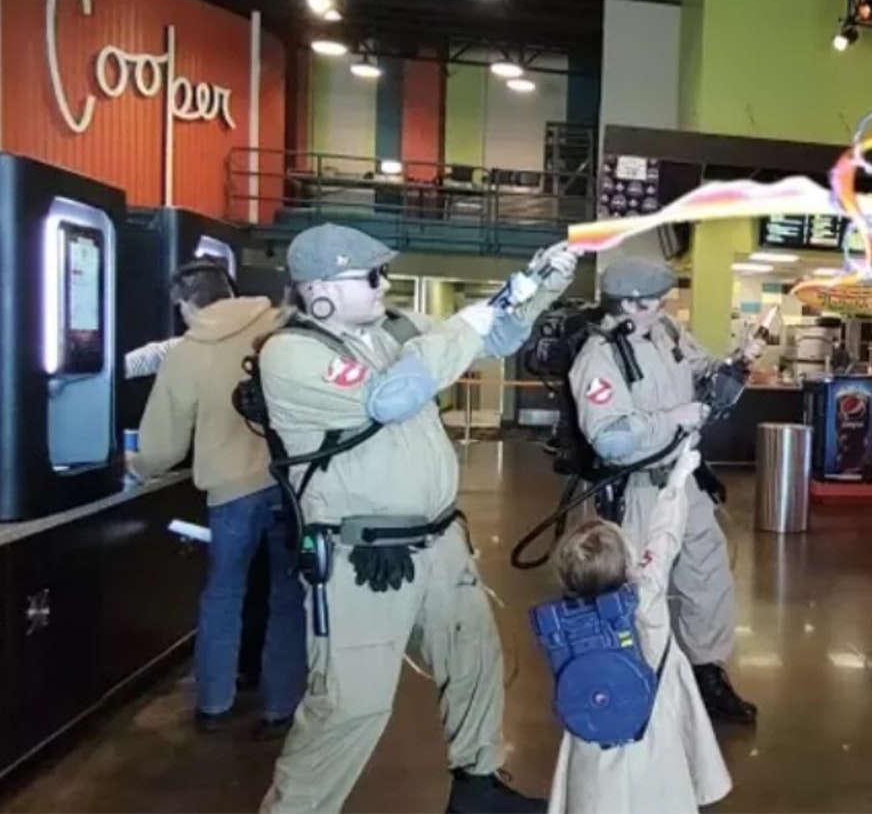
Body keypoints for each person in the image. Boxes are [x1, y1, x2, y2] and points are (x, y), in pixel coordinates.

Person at [256, 223, 579, 813]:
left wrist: (540, 286)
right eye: (371, 275)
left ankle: (478, 790)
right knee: (350, 706)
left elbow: (494, 337)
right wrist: (475, 319)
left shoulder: (389, 330)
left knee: (475, 659)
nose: (385, 285)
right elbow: (393, 396)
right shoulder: (291, 354)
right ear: (320, 290)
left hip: (437, 544)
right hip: (363, 559)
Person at [568, 258, 764, 723]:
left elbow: (705, 371)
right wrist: (673, 419)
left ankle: (707, 674)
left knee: (706, 578)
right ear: (625, 304)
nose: (660, 308)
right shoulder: (598, 360)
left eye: (660, 300)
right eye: (650, 302)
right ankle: (637, 680)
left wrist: (738, 361)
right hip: (636, 490)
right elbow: (610, 438)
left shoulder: (667, 334)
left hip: (684, 481)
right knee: (639, 589)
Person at [128, 258, 303, 738]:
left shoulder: (189, 351)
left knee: (224, 594)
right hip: (292, 486)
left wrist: (138, 466)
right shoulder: (281, 326)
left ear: (186, 305)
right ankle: (281, 706)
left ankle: (215, 702)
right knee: (288, 596)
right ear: (230, 289)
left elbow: (162, 446)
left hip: (230, 494)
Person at [546, 442, 732, 814]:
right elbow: (665, 536)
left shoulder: (564, 624)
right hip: (653, 733)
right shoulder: (646, 597)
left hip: (592, 735)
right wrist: (677, 481)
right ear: (629, 563)